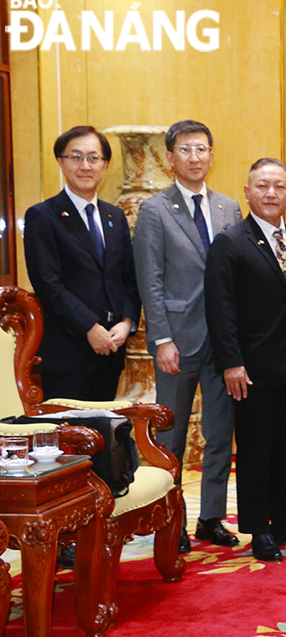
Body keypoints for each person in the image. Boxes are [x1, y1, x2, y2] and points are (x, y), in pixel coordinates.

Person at [205, 159, 286, 562]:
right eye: (262, 186)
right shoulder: (230, 241)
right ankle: (259, 529)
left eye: (279, 186)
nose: (271, 193)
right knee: (257, 450)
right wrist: (231, 363)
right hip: (251, 367)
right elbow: (220, 309)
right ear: (247, 191)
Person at [133, 120, 241, 552]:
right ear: (171, 156)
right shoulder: (155, 210)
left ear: (212, 155)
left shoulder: (229, 207)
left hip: (224, 342)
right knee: (170, 437)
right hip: (178, 339)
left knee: (220, 434)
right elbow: (150, 279)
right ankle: (169, 521)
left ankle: (211, 517)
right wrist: (161, 338)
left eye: (202, 149)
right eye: (185, 150)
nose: (195, 157)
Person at [24, 126, 139, 403]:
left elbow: (128, 279)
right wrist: (90, 327)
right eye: (75, 157)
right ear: (61, 162)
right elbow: (49, 285)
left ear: (105, 165)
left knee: (104, 436)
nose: (85, 166)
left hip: (112, 348)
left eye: (93, 158)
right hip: (68, 353)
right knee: (71, 439)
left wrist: (126, 322)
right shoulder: (43, 215)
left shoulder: (115, 216)